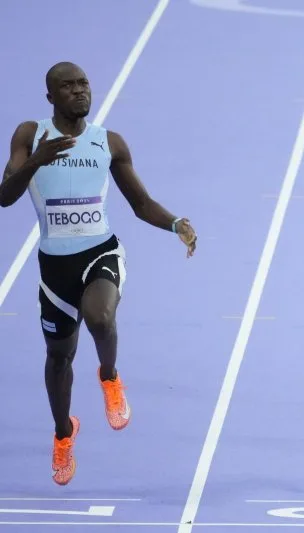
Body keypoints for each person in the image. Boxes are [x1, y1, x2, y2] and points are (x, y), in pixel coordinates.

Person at [0, 62, 197, 485]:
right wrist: (36, 160)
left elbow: (140, 203)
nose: (79, 91)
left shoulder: (109, 142)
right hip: (55, 269)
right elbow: (5, 196)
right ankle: (63, 433)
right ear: (50, 97)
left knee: (101, 317)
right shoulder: (29, 135)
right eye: (68, 86)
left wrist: (175, 223)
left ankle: (109, 376)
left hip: (100, 252)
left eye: (84, 83)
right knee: (59, 358)